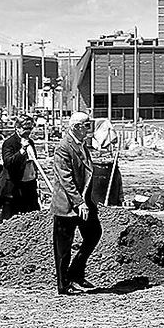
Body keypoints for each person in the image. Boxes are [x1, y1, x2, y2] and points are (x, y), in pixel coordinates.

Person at [51, 111, 100, 295]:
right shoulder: (63, 147)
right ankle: (63, 285)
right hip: (67, 205)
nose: (89, 128)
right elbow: (66, 179)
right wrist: (79, 202)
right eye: (87, 125)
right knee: (63, 246)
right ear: (76, 127)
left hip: (83, 201)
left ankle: (76, 272)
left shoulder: (81, 145)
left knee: (94, 233)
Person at [0, 115, 41, 219]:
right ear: (17, 128)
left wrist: (36, 177)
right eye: (25, 128)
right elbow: (8, 162)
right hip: (15, 188)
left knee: (33, 216)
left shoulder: (30, 142)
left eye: (30, 128)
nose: (28, 131)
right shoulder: (10, 143)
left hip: (30, 186)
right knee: (12, 219)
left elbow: (33, 162)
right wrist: (22, 150)